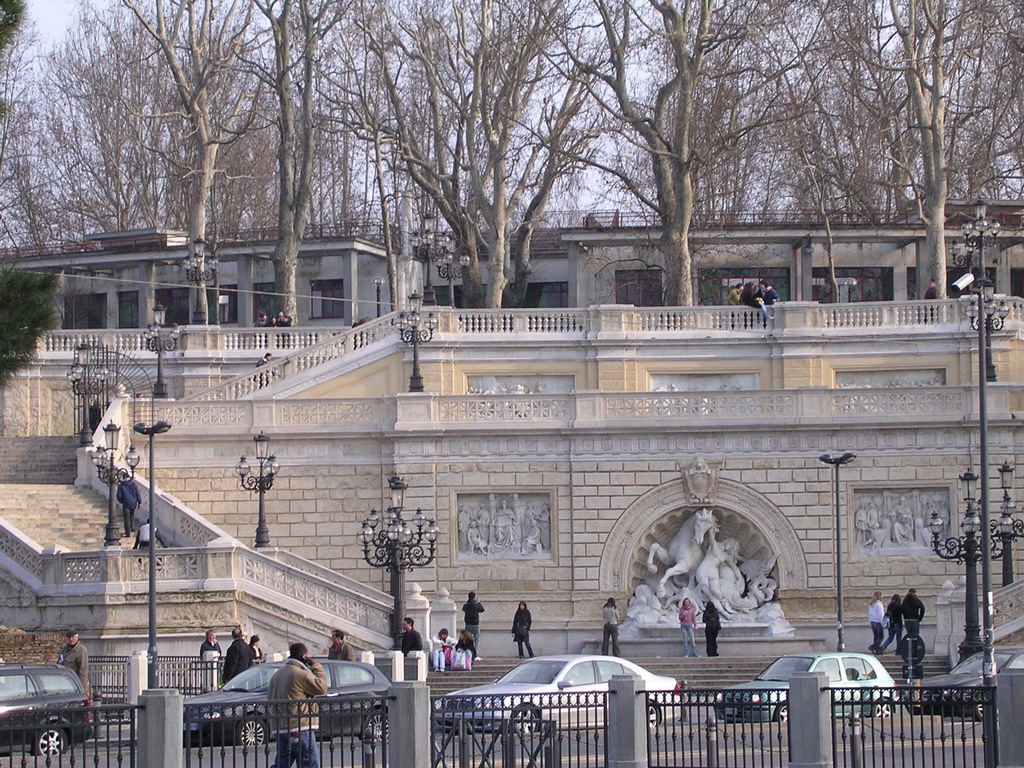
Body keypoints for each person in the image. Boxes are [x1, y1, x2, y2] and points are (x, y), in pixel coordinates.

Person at [267, 643, 328, 768]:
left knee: (282, 763)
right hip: (300, 727)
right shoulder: (301, 674)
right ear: (304, 656)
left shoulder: (277, 675)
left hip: (280, 727)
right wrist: (316, 666)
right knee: (309, 763)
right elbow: (322, 687)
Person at [58, 631, 90, 697]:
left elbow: (83, 671)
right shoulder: (65, 649)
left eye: (73, 637)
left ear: (77, 637)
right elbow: (60, 661)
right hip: (64, 683)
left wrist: (80, 687)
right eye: (69, 637)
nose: (71, 639)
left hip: (74, 684)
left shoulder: (81, 650)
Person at [463, 591, 485, 659]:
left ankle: (468, 652)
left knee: (467, 640)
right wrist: (478, 602)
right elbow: (482, 609)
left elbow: (463, 609)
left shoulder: (466, 605)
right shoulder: (476, 605)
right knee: (477, 639)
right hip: (475, 624)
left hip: (468, 624)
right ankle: (475, 654)